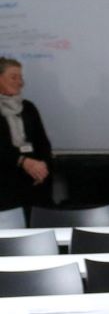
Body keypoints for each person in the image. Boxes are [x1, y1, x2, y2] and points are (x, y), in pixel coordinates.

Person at [0, 58, 53, 218]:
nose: (20, 82)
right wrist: (23, 161)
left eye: (21, 77)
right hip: (4, 185)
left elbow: (43, 142)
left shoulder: (28, 107)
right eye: (14, 77)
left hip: (33, 182)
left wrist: (42, 166)